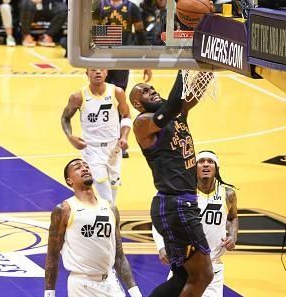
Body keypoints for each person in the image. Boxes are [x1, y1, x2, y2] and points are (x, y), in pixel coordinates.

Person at [129, 71, 215, 297]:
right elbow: (173, 106)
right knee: (203, 275)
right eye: (145, 91)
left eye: (152, 88)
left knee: (184, 276)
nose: (152, 91)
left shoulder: (177, 114)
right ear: (137, 103)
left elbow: (193, 92)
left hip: (180, 204)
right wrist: (183, 67)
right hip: (175, 204)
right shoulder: (143, 123)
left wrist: (205, 65)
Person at [44, 158, 142, 297]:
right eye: (78, 167)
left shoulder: (110, 208)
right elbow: (52, 255)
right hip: (82, 285)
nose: (84, 169)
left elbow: (119, 256)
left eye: (86, 166)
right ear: (69, 181)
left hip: (110, 282)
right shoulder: (64, 209)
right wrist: (49, 293)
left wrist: (134, 291)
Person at [152, 150, 239, 297]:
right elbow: (160, 219)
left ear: (216, 168)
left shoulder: (228, 194)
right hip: (185, 267)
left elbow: (232, 217)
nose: (206, 164)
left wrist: (233, 235)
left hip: (213, 269)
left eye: (210, 162)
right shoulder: (181, 193)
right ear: (194, 167)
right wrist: (161, 246)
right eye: (201, 161)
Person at [61, 69, 132, 204]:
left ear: (107, 73)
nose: (97, 72)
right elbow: (65, 118)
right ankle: (111, 222)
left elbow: (126, 115)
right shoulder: (78, 96)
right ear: (87, 73)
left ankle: (107, 221)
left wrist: (124, 136)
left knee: (113, 193)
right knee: (106, 197)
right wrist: (70, 137)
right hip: (92, 150)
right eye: (93, 70)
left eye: (101, 69)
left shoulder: (117, 92)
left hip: (113, 149)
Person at [92, 0, 152, 158]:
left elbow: (140, 35)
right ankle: (101, 139)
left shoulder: (132, 8)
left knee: (118, 100)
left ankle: (120, 140)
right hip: (102, 58)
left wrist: (147, 62)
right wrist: (88, 61)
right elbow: (90, 33)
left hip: (121, 59)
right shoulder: (99, 5)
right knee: (100, 99)